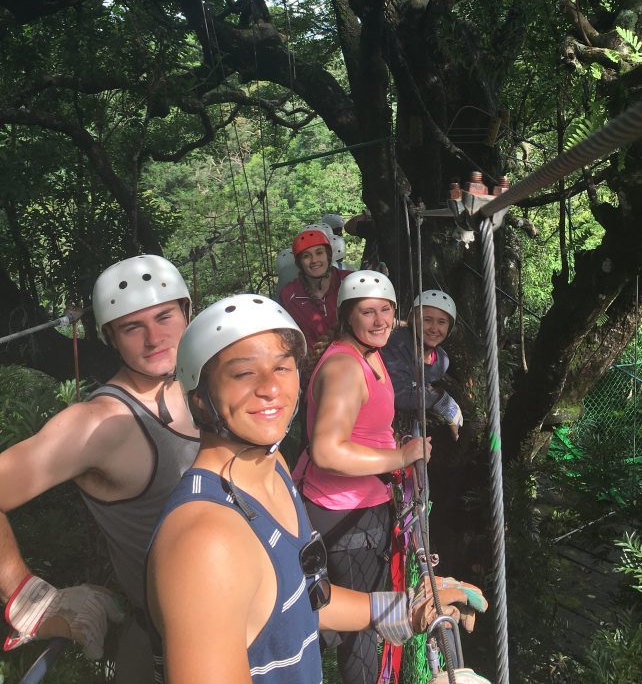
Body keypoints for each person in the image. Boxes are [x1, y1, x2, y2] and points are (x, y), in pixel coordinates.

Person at [146, 294, 484, 683]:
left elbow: (301, 598)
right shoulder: (206, 543)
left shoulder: (272, 471)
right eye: (243, 374)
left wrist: (403, 609)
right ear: (200, 401)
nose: (271, 388)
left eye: (283, 367)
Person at [0, 254, 199, 682]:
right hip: (178, 651)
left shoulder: (199, 383)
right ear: (110, 337)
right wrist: (23, 592)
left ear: (187, 310)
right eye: (132, 327)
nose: (154, 338)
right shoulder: (99, 425)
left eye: (164, 316)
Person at [295, 270, 430, 684]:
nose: (379, 320)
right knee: (361, 630)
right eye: (367, 312)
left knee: (347, 620)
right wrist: (399, 456)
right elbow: (327, 450)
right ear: (347, 317)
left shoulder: (369, 355)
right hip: (346, 517)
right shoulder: (344, 367)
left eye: (386, 310)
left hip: (353, 509)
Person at [382, 290, 464, 439]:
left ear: (449, 328)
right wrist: (440, 400)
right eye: (427, 320)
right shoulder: (398, 342)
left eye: (441, 322)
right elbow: (399, 394)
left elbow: (418, 389)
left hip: (407, 427)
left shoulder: (441, 361)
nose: (434, 328)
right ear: (414, 320)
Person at [278, 226, 351, 349]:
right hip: (312, 364)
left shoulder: (348, 282)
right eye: (306, 256)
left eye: (319, 253)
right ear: (300, 263)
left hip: (352, 360)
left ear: (328, 256)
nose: (314, 260)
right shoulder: (289, 295)